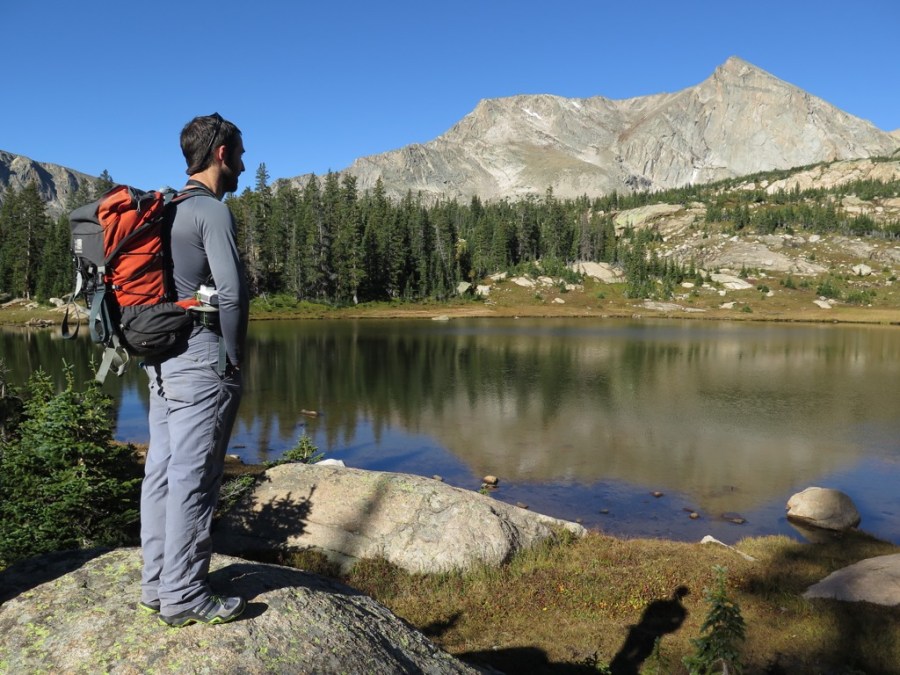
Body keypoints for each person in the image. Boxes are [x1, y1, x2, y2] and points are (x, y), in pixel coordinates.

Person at [138, 113, 249, 627]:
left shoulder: (166, 208)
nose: (244, 165)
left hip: (161, 360)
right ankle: (185, 594)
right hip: (202, 361)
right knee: (195, 477)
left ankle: (157, 584)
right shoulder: (210, 211)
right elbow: (231, 293)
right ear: (221, 154)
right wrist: (235, 356)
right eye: (240, 155)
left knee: (161, 470)